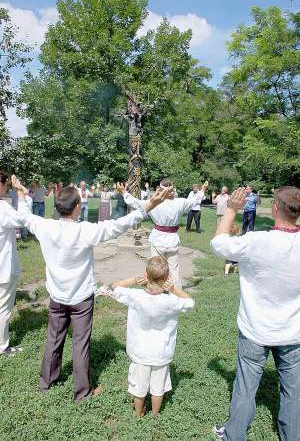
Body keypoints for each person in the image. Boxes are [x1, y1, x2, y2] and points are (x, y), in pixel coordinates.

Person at [12, 176, 171, 401]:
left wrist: (20, 192)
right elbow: (118, 226)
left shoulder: (44, 226)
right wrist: (149, 205)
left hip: (57, 295)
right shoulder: (84, 231)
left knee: (54, 338)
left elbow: (24, 216)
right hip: (81, 298)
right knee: (80, 343)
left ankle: (47, 382)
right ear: (77, 207)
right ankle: (82, 392)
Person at [210, 186, 300, 440]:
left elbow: (218, 244)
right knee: (294, 393)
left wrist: (231, 210)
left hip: (255, 329)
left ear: (274, 208)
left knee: (245, 388)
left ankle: (234, 435)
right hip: (293, 332)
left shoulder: (256, 240)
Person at [95, 256, 194, 416]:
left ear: (146, 275)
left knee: (139, 387)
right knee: (158, 387)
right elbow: (190, 302)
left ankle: (139, 413)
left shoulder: (135, 296)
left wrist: (134, 280)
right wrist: (174, 289)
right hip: (162, 352)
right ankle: (155, 415)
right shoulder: (172, 302)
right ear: (168, 278)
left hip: (140, 351)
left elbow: (111, 287)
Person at [120, 178, 208, 289]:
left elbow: (134, 202)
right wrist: (202, 190)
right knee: (173, 269)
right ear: (172, 189)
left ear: (161, 190)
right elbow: (195, 201)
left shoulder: (153, 203)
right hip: (172, 240)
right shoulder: (180, 202)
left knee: (156, 268)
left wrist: (124, 192)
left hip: (158, 239)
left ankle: (155, 290)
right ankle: (176, 292)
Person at [0, 171, 24, 356]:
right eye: (6, 184)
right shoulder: (3, 208)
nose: (7, 188)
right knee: (3, 309)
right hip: (3, 268)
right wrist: (20, 192)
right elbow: (22, 219)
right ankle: (2, 346)